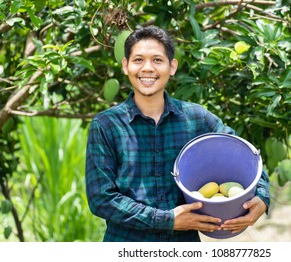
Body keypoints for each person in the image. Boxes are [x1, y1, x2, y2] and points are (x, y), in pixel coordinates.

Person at [85, 25, 270, 242]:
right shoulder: (106, 125)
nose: (147, 68)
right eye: (138, 60)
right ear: (125, 66)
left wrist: (262, 196)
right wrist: (167, 220)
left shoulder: (196, 118)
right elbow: (101, 198)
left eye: (157, 60)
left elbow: (244, 153)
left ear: (172, 67)